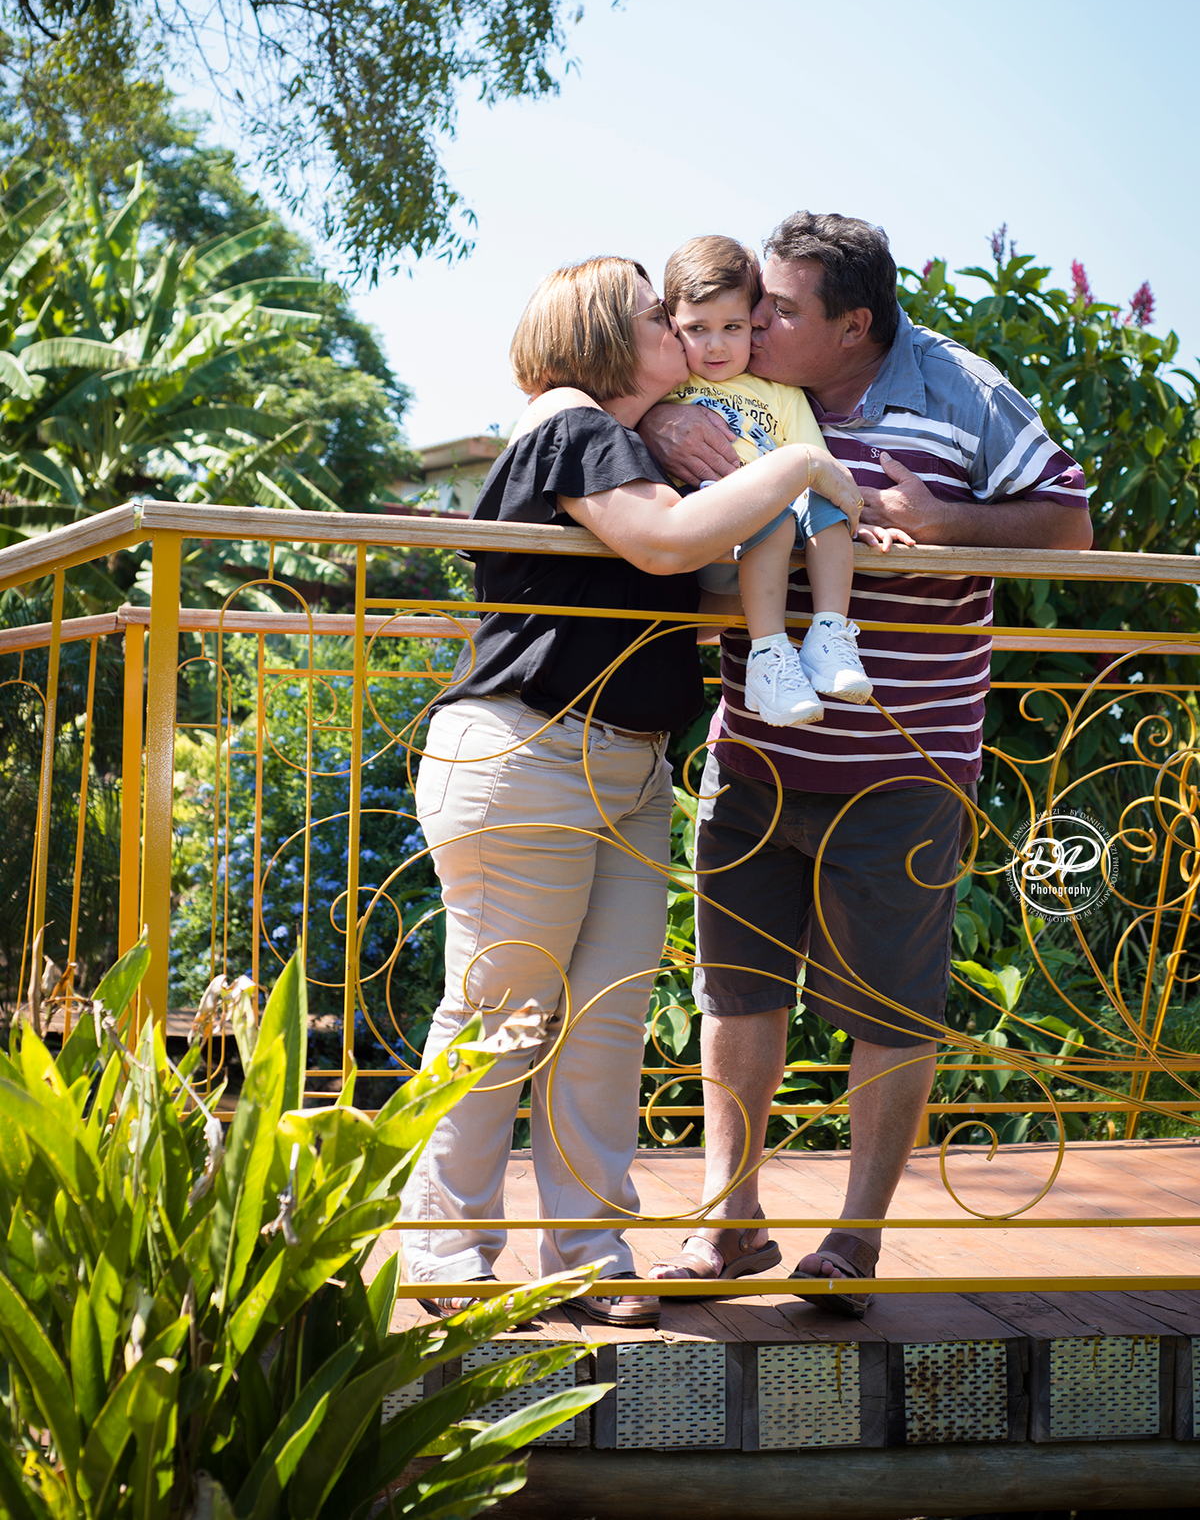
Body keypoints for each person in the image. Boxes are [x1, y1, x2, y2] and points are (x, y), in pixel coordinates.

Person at [400, 254, 865, 1328]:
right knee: (501, 1015)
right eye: (659, 313)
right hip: (531, 754)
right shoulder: (571, 424)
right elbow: (663, 545)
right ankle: (443, 1247)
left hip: (626, 764)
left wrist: (803, 521)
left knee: (604, 1024)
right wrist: (803, 465)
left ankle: (589, 1252)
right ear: (607, 333)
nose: (681, 328)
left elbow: (702, 573)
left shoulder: (624, 446)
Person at [642, 211, 1092, 1311]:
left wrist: (941, 519)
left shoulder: (960, 387)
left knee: (891, 1005)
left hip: (903, 767)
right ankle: (728, 1222)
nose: (756, 319)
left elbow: (1069, 521)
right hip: (755, 753)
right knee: (735, 993)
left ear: (853, 326)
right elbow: (629, 390)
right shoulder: (733, 376)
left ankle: (855, 1239)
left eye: (780, 309)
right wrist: (660, 420)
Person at [661, 233, 897, 726]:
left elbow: (819, 467)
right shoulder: (670, 387)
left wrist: (857, 515)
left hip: (779, 549)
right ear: (672, 325)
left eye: (733, 327)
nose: (716, 344)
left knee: (824, 501)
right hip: (711, 537)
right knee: (769, 508)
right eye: (697, 329)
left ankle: (829, 634)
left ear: (753, 323)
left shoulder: (782, 392)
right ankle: (768, 655)